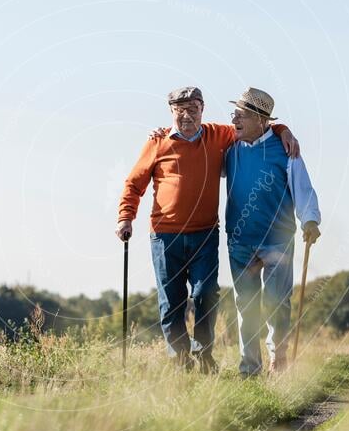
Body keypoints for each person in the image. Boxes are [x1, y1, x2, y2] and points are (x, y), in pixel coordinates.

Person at [115, 87, 298, 372]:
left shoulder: (218, 135)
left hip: (205, 234)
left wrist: (283, 129)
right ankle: (180, 360)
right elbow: (134, 183)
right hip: (165, 235)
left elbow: (256, 126)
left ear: (203, 109)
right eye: (180, 110)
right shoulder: (157, 142)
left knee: (205, 295)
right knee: (171, 301)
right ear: (171, 112)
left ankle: (204, 357)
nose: (187, 115)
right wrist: (126, 217)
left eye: (193, 109)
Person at [224, 87, 321, 377]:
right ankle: (249, 369)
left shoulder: (285, 150)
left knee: (278, 302)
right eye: (234, 115)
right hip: (240, 241)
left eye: (241, 116)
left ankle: (278, 361)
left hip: (278, 240)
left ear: (261, 120)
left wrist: (310, 221)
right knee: (247, 305)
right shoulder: (230, 149)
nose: (234, 121)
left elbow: (303, 188)